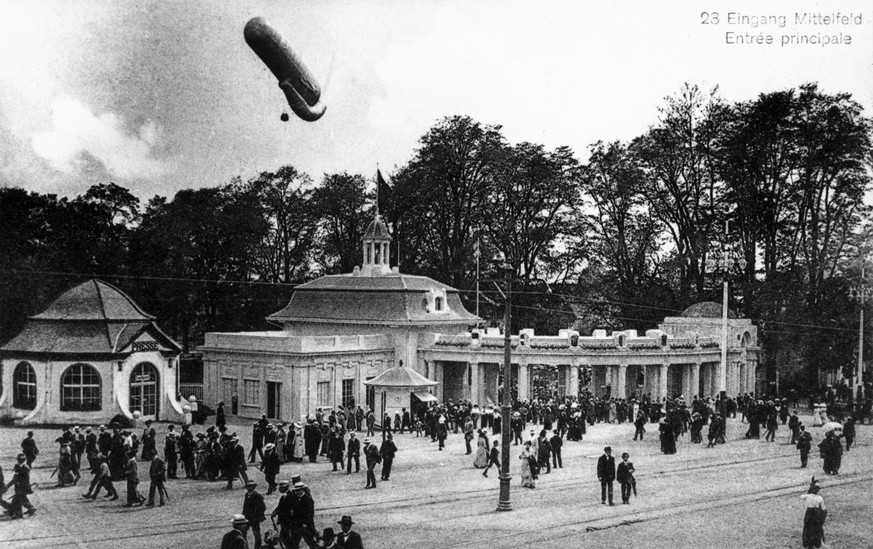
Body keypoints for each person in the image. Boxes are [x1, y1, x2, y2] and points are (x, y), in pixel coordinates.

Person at [288, 481, 319, 549]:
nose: (296, 492)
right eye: (295, 491)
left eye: (298, 490)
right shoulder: (296, 498)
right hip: (297, 525)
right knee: (294, 543)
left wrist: (305, 524)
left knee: (310, 541)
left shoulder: (308, 499)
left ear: (302, 490)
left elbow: (310, 514)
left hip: (306, 525)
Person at [800, 478, 827, 548]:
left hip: (809, 513)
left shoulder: (807, 496)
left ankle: (808, 544)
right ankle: (816, 543)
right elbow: (824, 509)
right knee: (816, 528)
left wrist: (809, 490)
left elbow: (801, 496)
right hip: (817, 514)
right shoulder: (820, 498)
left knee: (807, 528)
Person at [8, 454, 36, 518]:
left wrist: (21, 486)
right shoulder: (20, 466)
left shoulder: (25, 467)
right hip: (20, 487)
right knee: (20, 499)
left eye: (19, 459)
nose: (18, 461)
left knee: (18, 500)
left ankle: (16, 513)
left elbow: (25, 479)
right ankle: (15, 512)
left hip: (22, 487)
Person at [242, 481, 266, 549]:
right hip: (247, 518)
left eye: (251, 486)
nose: (249, 488)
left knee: (256, 534)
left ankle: (257, 547)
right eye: (248, 486)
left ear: (254, 487)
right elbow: (245, 506)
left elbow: (262, 507)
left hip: (254, 518)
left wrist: (258, 516)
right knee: (243, 532)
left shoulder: (257, 495)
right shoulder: (247, 494)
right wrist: (243, 515)